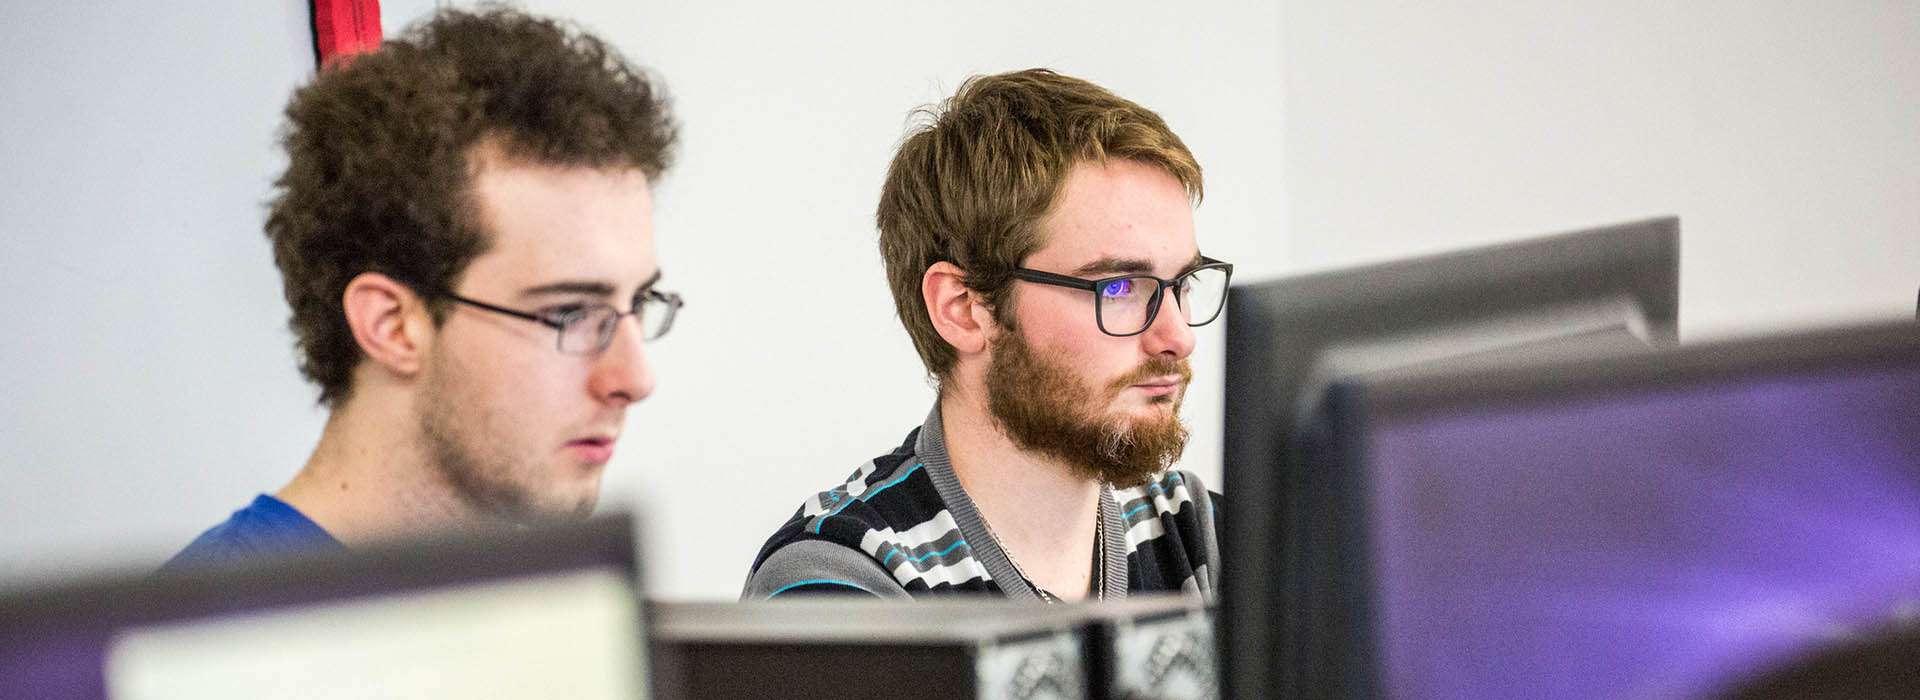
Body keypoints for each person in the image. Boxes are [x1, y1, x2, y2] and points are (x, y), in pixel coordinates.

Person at [165, 7, 680, 570]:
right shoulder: (213, 640)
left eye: (637, 304)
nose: (634, 379)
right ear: (390, 325)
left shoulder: (533, 612)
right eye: (570, 313)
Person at [744, 69, 1227, 601]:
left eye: (1182, 284)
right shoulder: (837, 588)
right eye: (1118, 289)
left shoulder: (1202, 534)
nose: (1178, 337)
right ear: (964, 309)